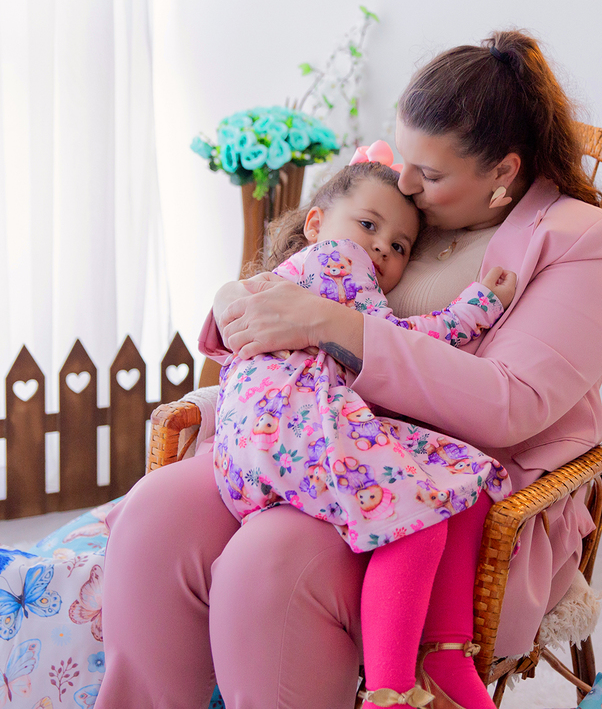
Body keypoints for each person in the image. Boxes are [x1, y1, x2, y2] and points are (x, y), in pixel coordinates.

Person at [97, 29, 602, 709]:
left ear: (502, 171)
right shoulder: (406, 198)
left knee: (269, 566)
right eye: (404, 157)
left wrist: (336, 327)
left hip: (447, 491)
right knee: (154, 516)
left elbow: (513, 404)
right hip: (321, 438)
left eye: (430, 174)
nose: (404, 182)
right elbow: (301, 263)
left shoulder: (585, 242)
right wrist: (241, 299)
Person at [208, 147, 516, 709]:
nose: (379, 246)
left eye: (398, 246)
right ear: (317, 225)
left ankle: (445, 651)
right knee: (417, 513)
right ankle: (390, 691)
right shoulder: (333, 262)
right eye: (368, 226)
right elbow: (395, 338)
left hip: (254, 450)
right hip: (295, 426)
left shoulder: (283, 281)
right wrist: (479, 305)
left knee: (464, 478)